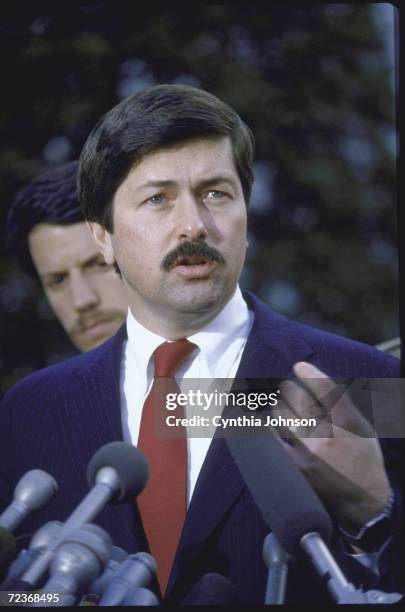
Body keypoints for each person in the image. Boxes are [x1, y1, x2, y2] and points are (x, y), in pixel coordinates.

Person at [0, 85, 401, 604]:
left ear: (246, 216)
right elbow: (16, 596)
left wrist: (373, 511)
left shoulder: (369, 382)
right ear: (104, 238)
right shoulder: (31, 410)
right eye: (157, 198)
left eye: (216, 193)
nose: (193, 223)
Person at [6, 162, 128, 352]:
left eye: (100, 264)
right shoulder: (48, 382)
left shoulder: (190, 376)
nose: (82, 300)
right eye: (58, 280)